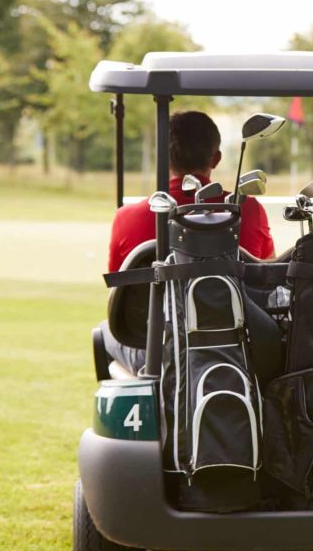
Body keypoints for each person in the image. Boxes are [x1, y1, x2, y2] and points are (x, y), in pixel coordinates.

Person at [102, 111, 277, 373]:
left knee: (104, 332)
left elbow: (119, 291)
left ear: (164, 157)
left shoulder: (127, 217)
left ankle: (147, 398)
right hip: (235, 347)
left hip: (153, 349)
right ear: (216, 158)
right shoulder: (247, 210)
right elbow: (266, 281)